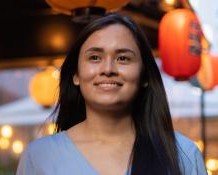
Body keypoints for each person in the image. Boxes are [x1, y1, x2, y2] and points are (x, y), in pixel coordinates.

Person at [16, 13, 206, 175]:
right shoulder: (39, 157)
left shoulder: (183, 155)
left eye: (123, 58)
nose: (107, 69)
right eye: (95, 57)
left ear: (144, 75)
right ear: (76, 75)